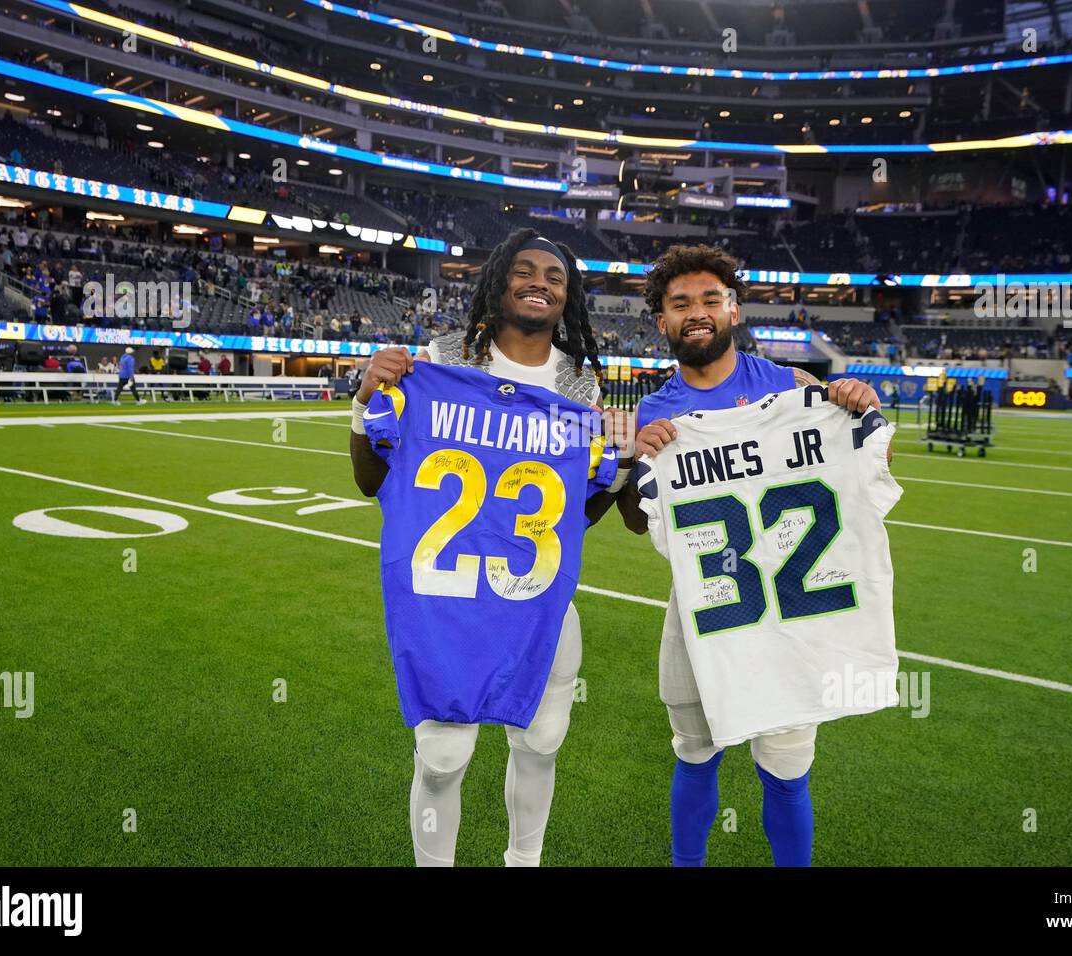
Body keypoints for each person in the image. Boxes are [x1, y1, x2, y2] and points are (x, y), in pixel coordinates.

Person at [349, 228, 612, 868]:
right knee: (442, 755)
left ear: (568, 294)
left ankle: (524, 861)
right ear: (497, 282)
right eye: (523, 270)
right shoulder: (441, 361)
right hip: (450, 597)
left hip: (536, 596)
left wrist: (620, 468)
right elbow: (372, 479)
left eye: (554, 276)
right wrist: (363, 403)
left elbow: (578, 510)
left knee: (543, 742)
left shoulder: (582, 386)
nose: (539, 282)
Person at [614, 244, 880, 868]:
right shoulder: (653, 412)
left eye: (711, 299)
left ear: (734, 310)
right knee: (695, 749)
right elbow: (636, 519)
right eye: (680, 304)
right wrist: (633, 463)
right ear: (662, 321)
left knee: (786, 767)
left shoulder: (794, 388)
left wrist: (860, 413)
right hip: (703, 609)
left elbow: (869, 472)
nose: (697, 312)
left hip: (790, 615)